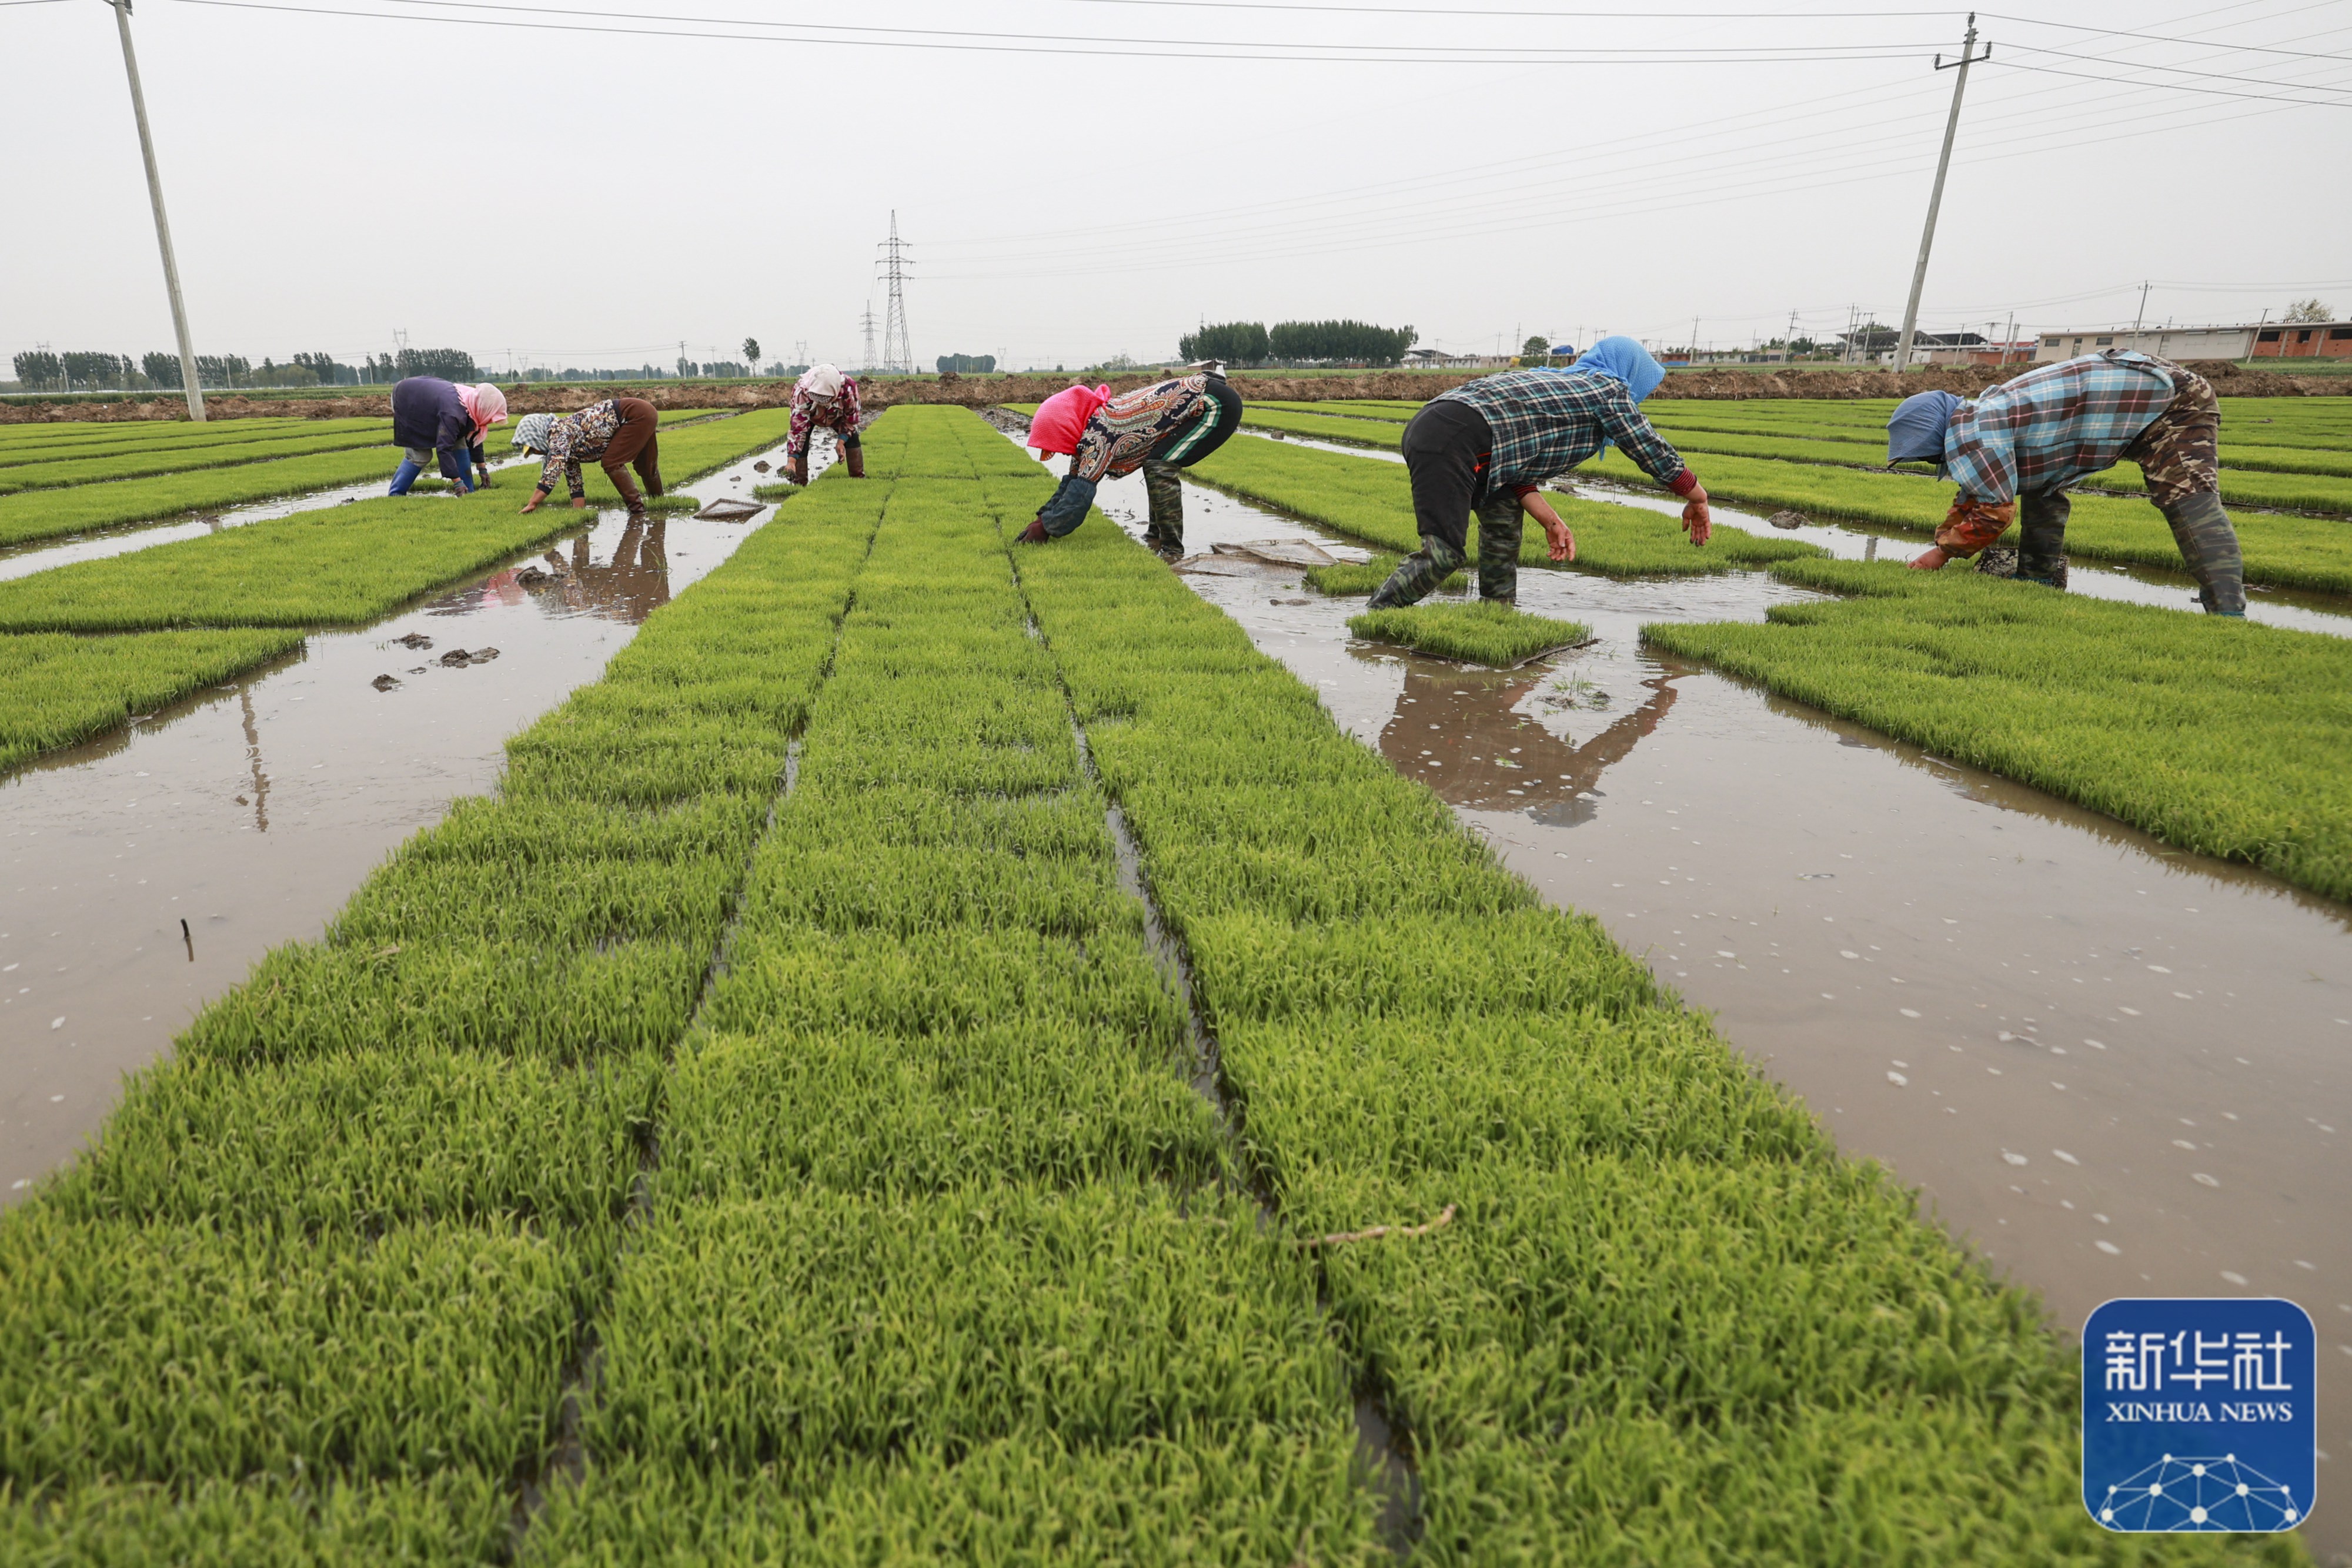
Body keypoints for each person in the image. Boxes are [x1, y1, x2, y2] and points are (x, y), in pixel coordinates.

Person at [1887, 350, 2244, 615]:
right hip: (2137, 386)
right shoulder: (1981, 416)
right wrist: (1943, 539)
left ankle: (2227, 613)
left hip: (2172, 402)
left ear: (1937, 436)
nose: (1931, 461)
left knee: (2188, 500)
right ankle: (2036, 580)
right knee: (2040, 489)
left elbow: (1995, 512)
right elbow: (1973, 496)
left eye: (1927, 455)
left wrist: (1941, 553)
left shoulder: (1976, 432)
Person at [1366, 337, 1710, 609]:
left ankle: (1496, 614)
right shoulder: (1606, 390)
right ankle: (1374, 618)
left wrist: (1550, 519)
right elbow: (1648, 447)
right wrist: (1697, 495)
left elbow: (1518, 463)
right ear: (1629, 373)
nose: (1640, 397)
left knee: (1503, 532)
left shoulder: (1566, 388)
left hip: (1472, 443)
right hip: (1453, 437)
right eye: (1644, 387)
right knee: (1444, 552)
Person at [1014, 365, 1243, 559]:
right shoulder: (1089, 432)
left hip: (1216, 405)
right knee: (1156, 463)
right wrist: (1041, 518)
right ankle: (1155, 536)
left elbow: (1079, 499)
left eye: (1056, 443)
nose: (1061, 452)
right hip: (1204, 399)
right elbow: (1072, 483)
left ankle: (1172, 550)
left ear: (1065, 430)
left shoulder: (1099, 434)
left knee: (1159, 466)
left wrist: (1046, 529)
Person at [513, 397, 664, 519]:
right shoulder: (564, 446)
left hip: (635, 414)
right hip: (642, 412)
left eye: (533, 448)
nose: (536, 453)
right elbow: (575, 482)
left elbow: (553, 473)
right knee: (645, 465)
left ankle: (638, 512)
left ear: (536, 435)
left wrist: (533, 503)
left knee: (611, 462)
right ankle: (659, 504)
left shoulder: (558, 432)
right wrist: (579, 514)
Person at [389, 377, 506, 496]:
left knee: (460, 443)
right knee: (421, 455)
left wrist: (482, 468)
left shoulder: (473, 402)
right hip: (408, 399)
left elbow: (474, 435)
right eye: (491, 417)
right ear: (485, 409)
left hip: (430, 399)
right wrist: (457, 482)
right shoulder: (454, 414)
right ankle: (396, 494)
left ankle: (469, 492)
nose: (491, 421)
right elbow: (444, 448)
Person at [786, 363, 863, 484]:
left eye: (824, 399)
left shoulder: (849, 389)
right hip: (811, 414)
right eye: (819, 398)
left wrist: (841, 442)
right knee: (802, 442)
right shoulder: (802, 393)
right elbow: (797, 429)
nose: (821, 402)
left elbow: (851, 419)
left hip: (837, 413)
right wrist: (791, 461)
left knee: (852, 438)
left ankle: (858, 480)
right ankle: (799, 485)